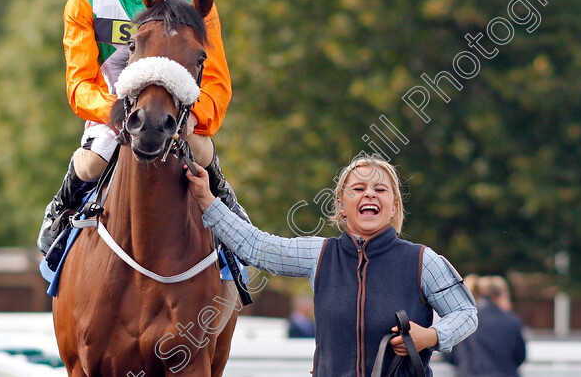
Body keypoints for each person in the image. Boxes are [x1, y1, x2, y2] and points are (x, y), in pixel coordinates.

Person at [36, 0, 248, 255]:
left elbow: (216, 82)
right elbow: (79, 82)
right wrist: (114, 112)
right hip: (114, 115)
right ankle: (61, 205)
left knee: (202, 153)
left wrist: (193, 116)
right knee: (92, 162)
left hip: (178, 113)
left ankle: (229, 213)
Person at [185, 153, 478, 376]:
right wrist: (206, 198)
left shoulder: (423, 261)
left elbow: (466, 312)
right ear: (340, 205)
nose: (369, 194)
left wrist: (431, 336)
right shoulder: (319, 254)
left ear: (394, 207)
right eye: (359, 188)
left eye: (380, 189)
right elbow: (255, 246)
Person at [443, 275, 527, 377]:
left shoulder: (463, 319)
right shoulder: (511, 321)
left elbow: (449, 354)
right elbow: (519, 356)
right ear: (497, 296)